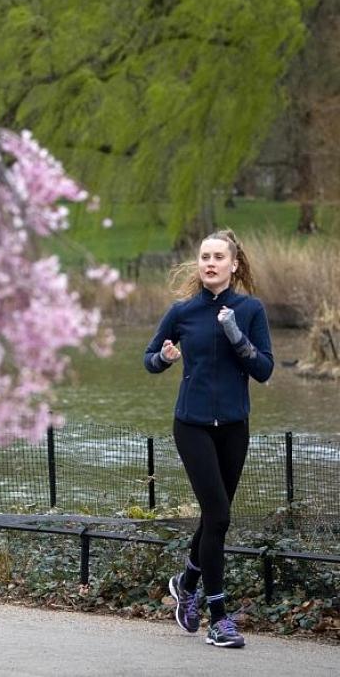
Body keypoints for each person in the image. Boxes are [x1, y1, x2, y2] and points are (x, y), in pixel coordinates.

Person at [143, 229, 274, 649]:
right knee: (218, 516)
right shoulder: (182, 312)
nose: (210, 262)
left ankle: (186, 582)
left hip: (234, 427)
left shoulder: (250, 309)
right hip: (193, 425)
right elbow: (148, 360)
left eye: (219, 256)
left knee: (214, 516)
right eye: (204, 256)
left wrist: (237, 335)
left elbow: (264, 370)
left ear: (234, 265)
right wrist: (163, 358)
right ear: (199, 264)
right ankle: (218, 619)